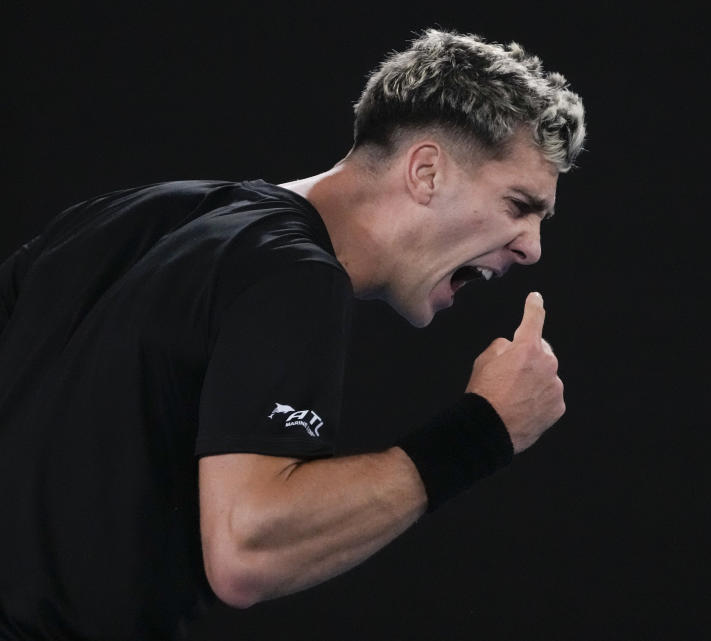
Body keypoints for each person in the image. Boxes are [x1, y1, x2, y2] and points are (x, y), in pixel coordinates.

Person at [0, 28, 586, 639]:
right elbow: (247, 550)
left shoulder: (140, 211)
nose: (532, 248)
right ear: (427, 172)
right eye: (520, 206)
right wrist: (486, 429)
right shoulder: (296, 276)